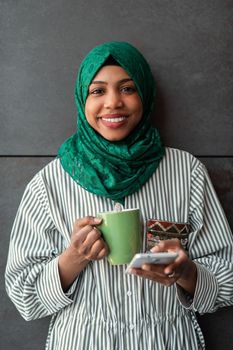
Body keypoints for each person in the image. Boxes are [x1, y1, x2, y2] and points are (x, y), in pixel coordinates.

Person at [5, 41, 233, 350]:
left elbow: (227, 277)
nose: (113, 103)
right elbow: (24, 298)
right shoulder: (49, 183)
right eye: (98, 91)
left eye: (128, 89)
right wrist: (73, 258)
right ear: (81, 99)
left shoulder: (186, 171)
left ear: (146, 94)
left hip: (167, 341)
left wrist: (185, 272)